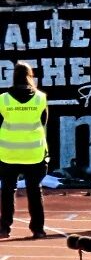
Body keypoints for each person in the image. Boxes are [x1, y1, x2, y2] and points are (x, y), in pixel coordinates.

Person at [0, 62, 50, 238]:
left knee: (7, 190)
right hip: (33, 152)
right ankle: (38, 229)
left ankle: (4, 227)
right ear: (31, 76)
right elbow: (43, 123)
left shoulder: (3, 99)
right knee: (34, 190)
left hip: (8, 152)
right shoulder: (40, 98)